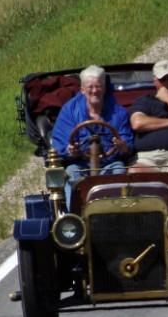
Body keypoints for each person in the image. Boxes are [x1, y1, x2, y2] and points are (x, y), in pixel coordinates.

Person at [51, 65, 133, 209]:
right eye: (90, 87)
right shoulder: (69, 111)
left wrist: (122, 146)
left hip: (109, 163)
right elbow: (59, 145)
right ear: (82, 89)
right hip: (80, 164)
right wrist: (70, 150)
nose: (94, 91)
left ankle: (117, 211)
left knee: (119, 170)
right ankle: (76, 215)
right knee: (72, 174)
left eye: (99, 86)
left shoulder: (119, 113)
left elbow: (127, 142)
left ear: (105, 88)